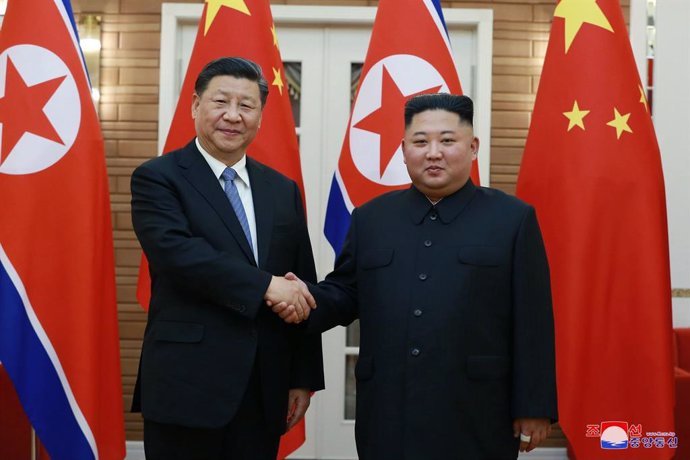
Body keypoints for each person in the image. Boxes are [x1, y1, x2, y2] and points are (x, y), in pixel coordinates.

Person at [274, 93, 558, 460]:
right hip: (389, 410)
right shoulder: (371, 219)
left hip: (477, 411)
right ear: (403, 150)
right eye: (421, 142)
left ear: (472, 148)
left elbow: (533, 321)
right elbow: (345, 293)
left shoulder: (512, 220)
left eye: (447, 141)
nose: (433, 152)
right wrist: (302, 298)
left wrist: (534, 405)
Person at [130, 56, 323, 460]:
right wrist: (265, 285)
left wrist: (303, 376)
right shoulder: (159, 178)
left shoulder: (281, 189)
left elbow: (300, 280)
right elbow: (178, 255)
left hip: (263, 388)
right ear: (196, 106)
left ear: (261, 116)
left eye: (246, 105)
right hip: (187, 386)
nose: (233, 116)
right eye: (221, 102)